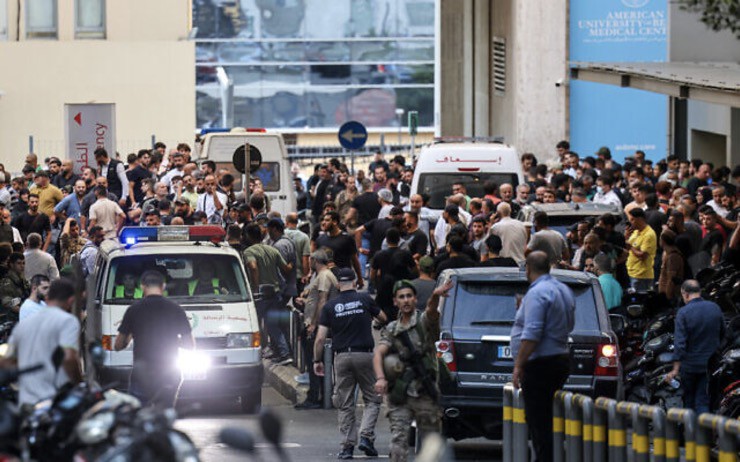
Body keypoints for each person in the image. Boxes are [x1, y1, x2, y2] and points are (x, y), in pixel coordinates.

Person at [373, 279, 452, 461]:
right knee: (398, 445)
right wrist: (380, 378)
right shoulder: (392, 329)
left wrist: (434, 296)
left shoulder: (424, 322)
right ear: (395, 301)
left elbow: (432, 312)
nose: (406, 300)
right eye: (401, 297)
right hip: (401, 395)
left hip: (425, 395)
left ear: (416, 299)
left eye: (409, 296)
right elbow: (379, 353)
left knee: (432, 447)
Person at [314, 268, 387, 459]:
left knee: (345, 403)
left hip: (341, 358)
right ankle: (366, 435)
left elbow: (320, 338)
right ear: (355, 282)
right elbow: (384, 318)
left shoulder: (330, 307)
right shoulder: (364, 299)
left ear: (338, 284)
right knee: (373, 398)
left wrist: (317, 360)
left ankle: (347, 447)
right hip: (364, 355)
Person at [511, 251, 575, 462]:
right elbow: (569, 323)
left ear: (528, 269)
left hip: (541, 365)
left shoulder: (538, 293)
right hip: (560, 358)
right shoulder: (563, 289)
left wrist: (519, 365)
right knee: (545, 419)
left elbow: (532, 333)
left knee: (539, 422)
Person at [114, 270, 194, 407]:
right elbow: (190, 345)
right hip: (169, 373)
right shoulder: (176, 309)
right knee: (163, 415)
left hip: (142, 374)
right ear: (163, 286)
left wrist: (131, 336)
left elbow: (118, 345)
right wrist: (174, 340)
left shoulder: (134, 310)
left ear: (142, 286)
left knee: (139, 416)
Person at [6, 278, 82, 406]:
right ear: (70, 301)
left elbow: (7, 361)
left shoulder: (23, 325)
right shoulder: (68, 321)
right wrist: (78, 384)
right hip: (53, 401)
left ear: (48, 298)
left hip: (26, 403)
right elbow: (69, 358)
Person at [664, 280, 725, 414]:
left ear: (685, 294)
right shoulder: (714, 308)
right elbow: (723, 333)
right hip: (710, 365)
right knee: (704, 400)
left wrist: (675, 369)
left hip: (690, 366)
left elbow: (680, 344)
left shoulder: (683, 313)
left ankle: (692, 432)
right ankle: (705, 432)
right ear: (699, 292)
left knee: (689, 401)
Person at [294, 249, 338, 410]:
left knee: (315, 362)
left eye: (311, 260)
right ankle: (318, 395)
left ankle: (315, 396)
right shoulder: (321, 276)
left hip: (319, 327)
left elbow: (323, 301)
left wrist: (314, 324)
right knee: (314, 362)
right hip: (317, 324)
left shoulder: (325, 276)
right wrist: (305, 301)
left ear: (314, 260)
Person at [624, 208, 657, 291]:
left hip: (641, 276)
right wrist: (626, 237)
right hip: (631, 272)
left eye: (632, 219)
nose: (630, 222)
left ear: (640, 219)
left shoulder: (649, 234)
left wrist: (630, 247)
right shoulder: (635, 232)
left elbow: (643, 255)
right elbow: (627, 246)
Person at [0, 253, 30, 322]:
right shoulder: (7, 282)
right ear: (11, 264)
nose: (22, 266)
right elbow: (8, 303)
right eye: (19, 263)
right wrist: (25, 311)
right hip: (12, 318)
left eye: (23, 263)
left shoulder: (22, 279)